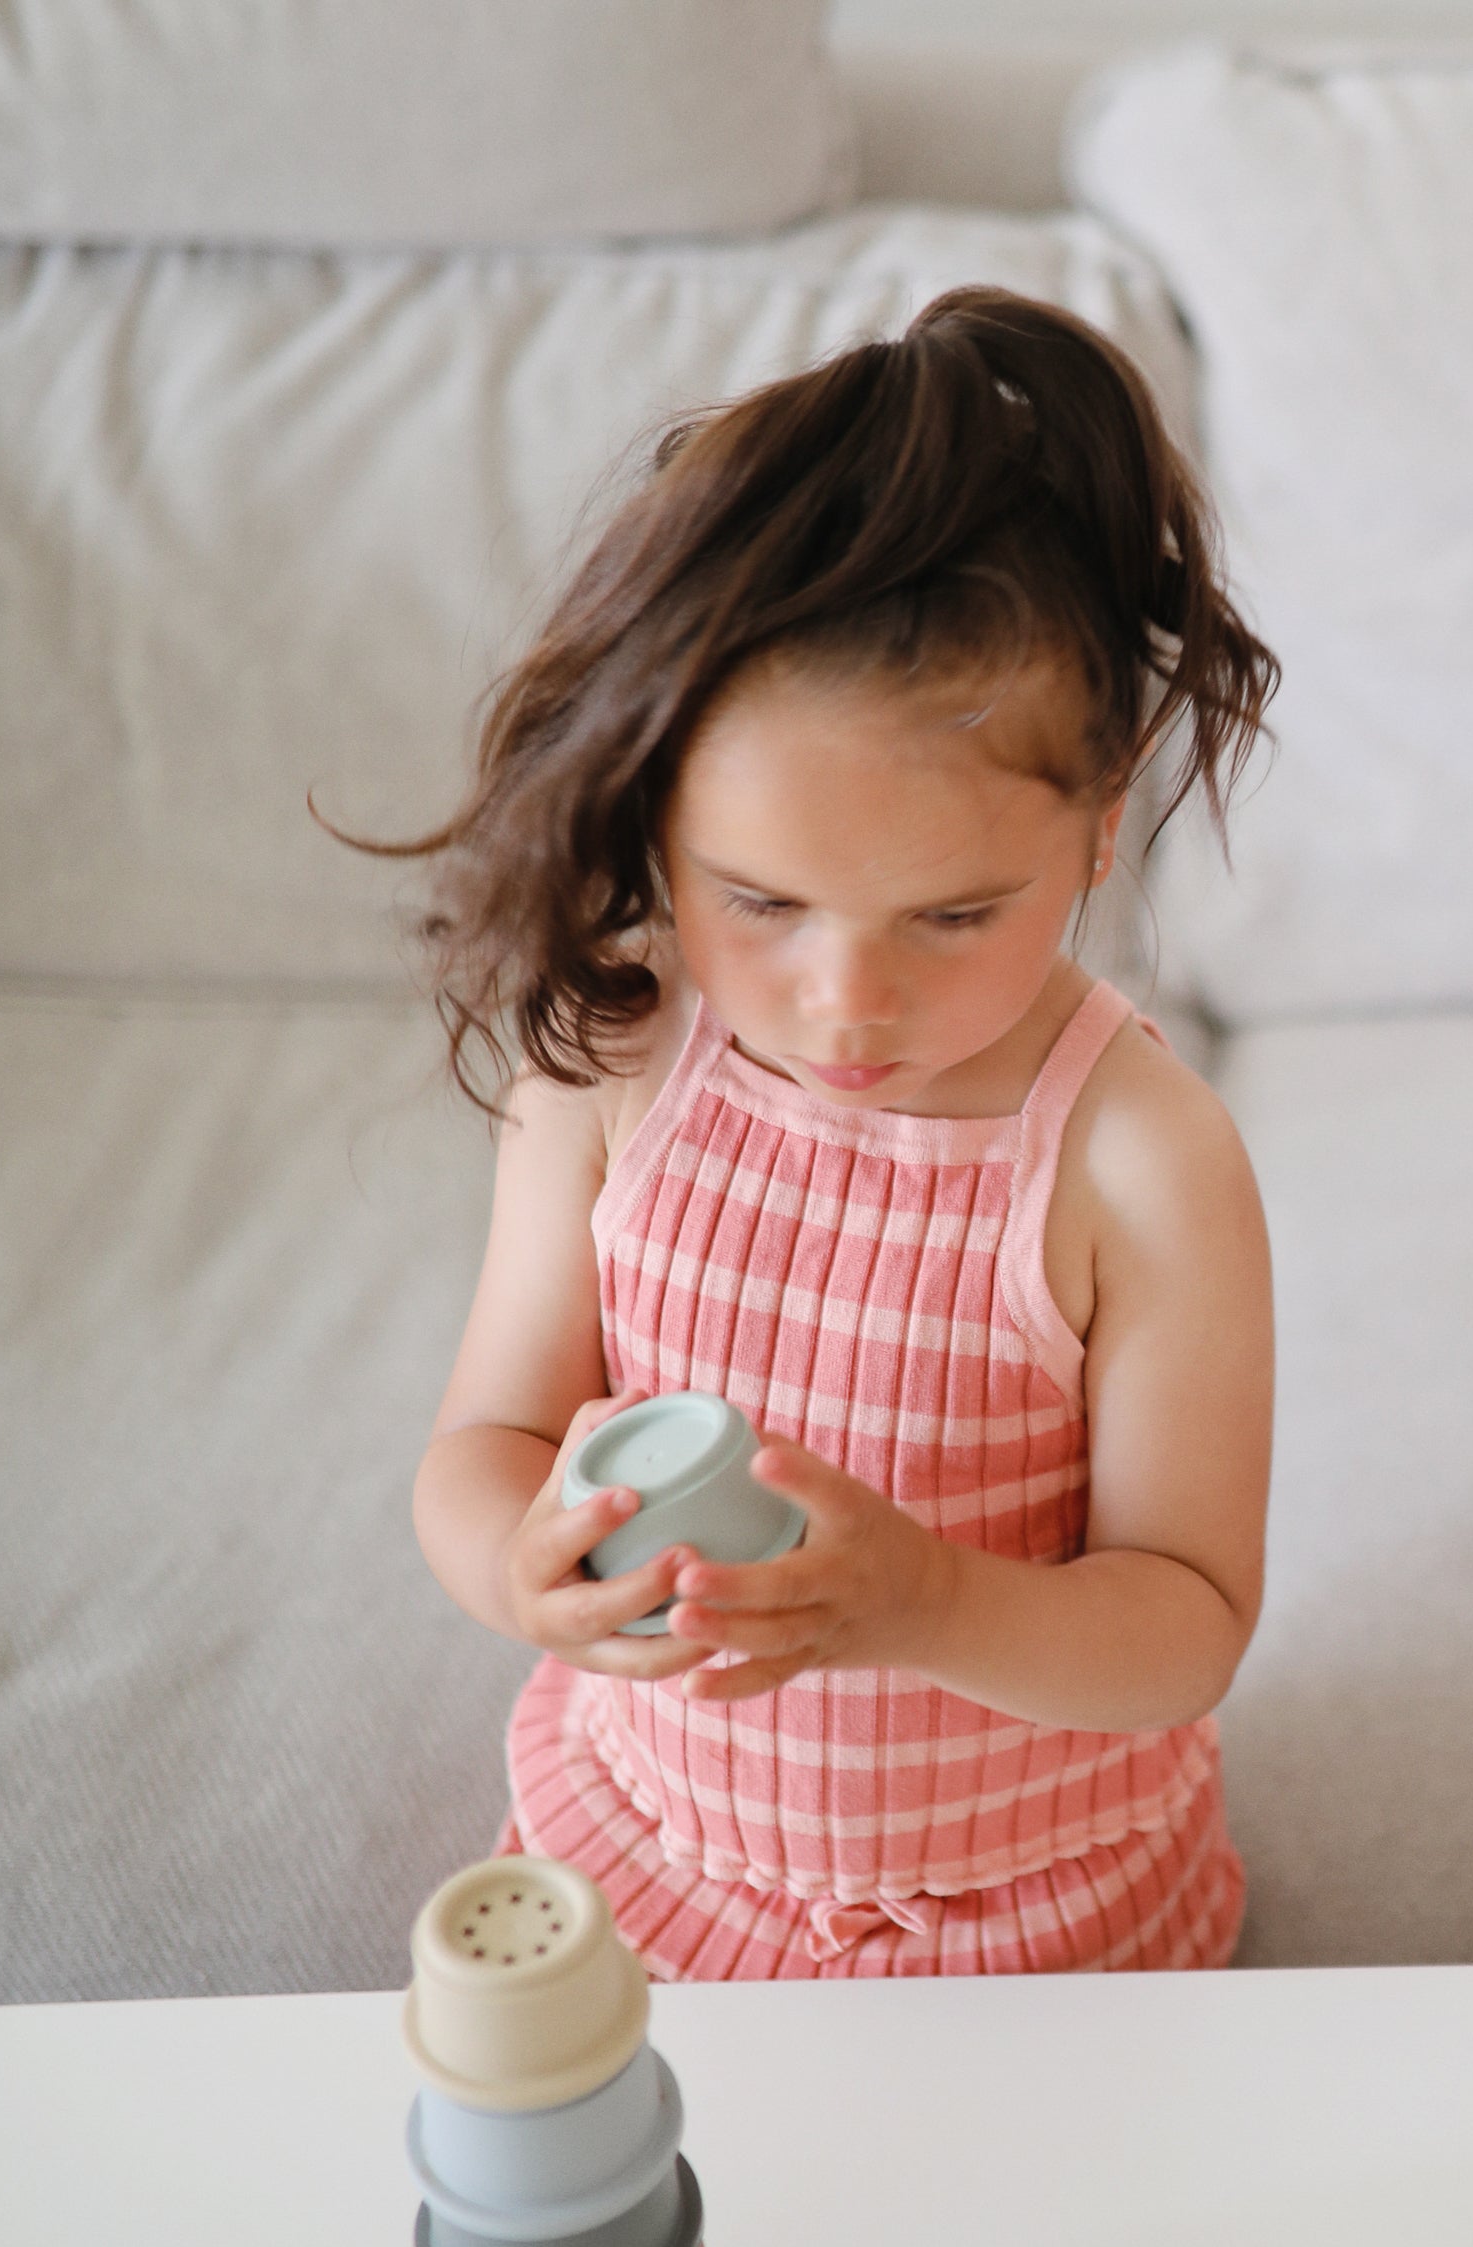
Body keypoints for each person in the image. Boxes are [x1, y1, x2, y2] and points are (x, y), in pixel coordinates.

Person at [403, 289, 1278, 1976]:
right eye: (762, 902)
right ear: (654, 810)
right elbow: (481, 1452)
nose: (843, 1001)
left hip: (1029, 1908)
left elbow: (1184, 1624)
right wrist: (529, 1578)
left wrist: (920, 1602)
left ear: (1103, 830)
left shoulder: (1137, 1164)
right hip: (654, 1848)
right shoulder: (612, 1081)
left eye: (954, 915)